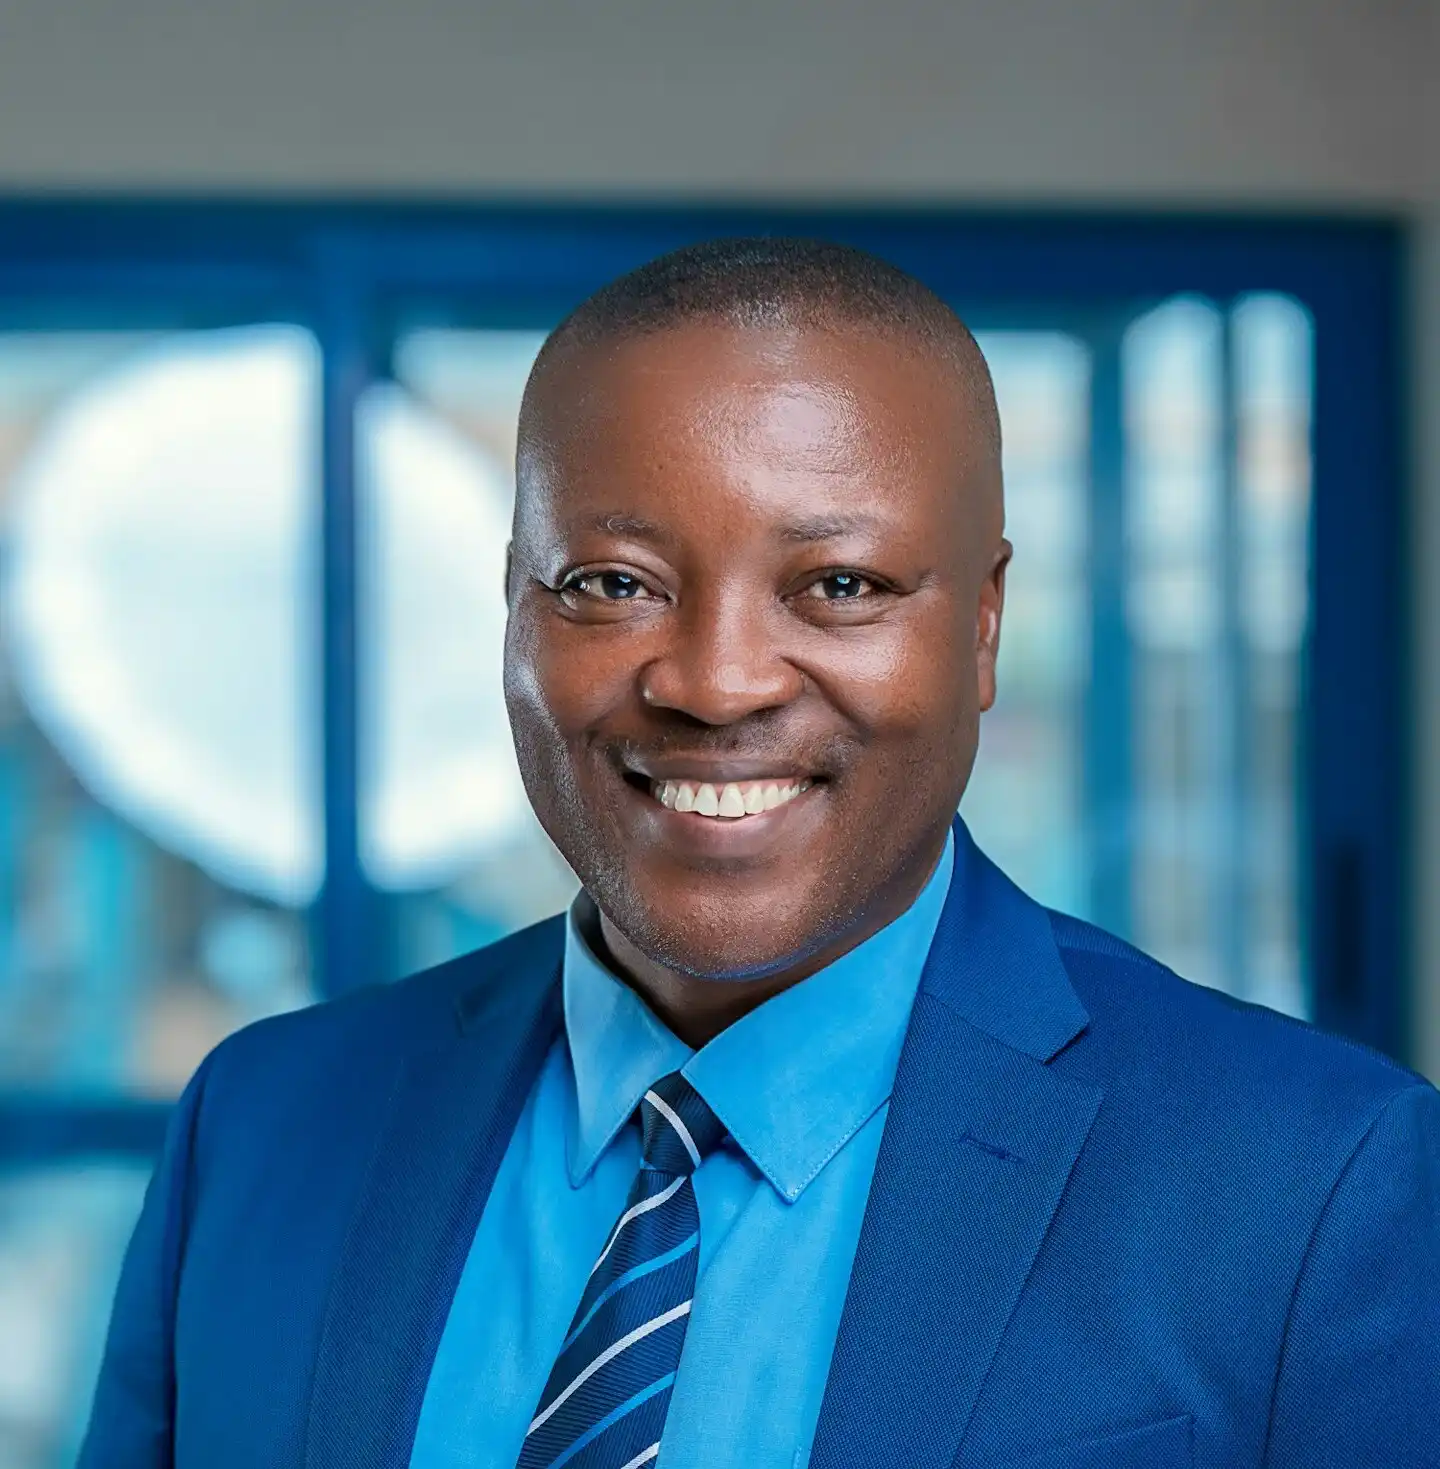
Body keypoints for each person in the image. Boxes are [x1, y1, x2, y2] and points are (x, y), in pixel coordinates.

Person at [81, 239, 1439, 1469]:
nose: (718, 684)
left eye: (838, 586)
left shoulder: (1313, 1181)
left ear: (979, 626)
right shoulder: (261, 1126)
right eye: (613, 584)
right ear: (513, 607)